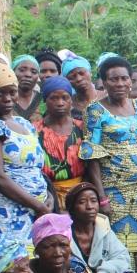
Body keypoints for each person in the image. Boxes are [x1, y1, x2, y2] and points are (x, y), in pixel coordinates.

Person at [80, 55, 137, 273]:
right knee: (117, 248)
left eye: (124, 78)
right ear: (104, 83)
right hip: (115, 193)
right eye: (113, 79)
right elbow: (92, 157)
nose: (120, 84)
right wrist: (102, 197)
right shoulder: (95, 111)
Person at [0, 62, 49, 246]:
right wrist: (37, 205)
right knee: (12, 269)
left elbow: (35, 169)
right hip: (3, 212)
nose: (7, 98)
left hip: (33, 210)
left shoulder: (24, 124)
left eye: (12, 92)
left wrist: (47, 197)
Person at [66, 181, 137, 273]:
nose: (90, 206)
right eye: (82, 202)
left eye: (94, 201)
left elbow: (122, 257)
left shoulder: (103, 229)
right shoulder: (63, 234)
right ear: (72, 208)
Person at [34, 76, 85, 210]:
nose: (60, 103)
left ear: (71, 100)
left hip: (79, 196)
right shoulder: (34, 131)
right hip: (46, 196)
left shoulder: (82, 128)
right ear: (45, 100)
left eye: (65, 97)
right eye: (54, 98)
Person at [62, 54, 98, 120]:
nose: (79, 79)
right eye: (72, 77)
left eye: (81, 73)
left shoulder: (107, 97)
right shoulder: (67, 105)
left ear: (90, 73)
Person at [11, 55, 42, 121]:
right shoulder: (5, 100)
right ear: (12, 72)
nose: (28, 74)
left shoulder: (42, 101)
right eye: (22, 70)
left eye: (34, 72)